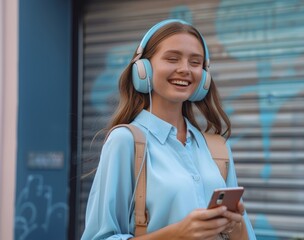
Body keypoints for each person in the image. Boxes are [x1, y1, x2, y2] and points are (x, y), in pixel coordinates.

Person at [81, 19, 256, 240]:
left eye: (195, 62)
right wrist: (177, 234)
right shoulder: (125, 141)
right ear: (143, 69)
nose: (185, 69)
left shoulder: (217, 148)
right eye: (172, 59)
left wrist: (233, 225)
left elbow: (244, 234)